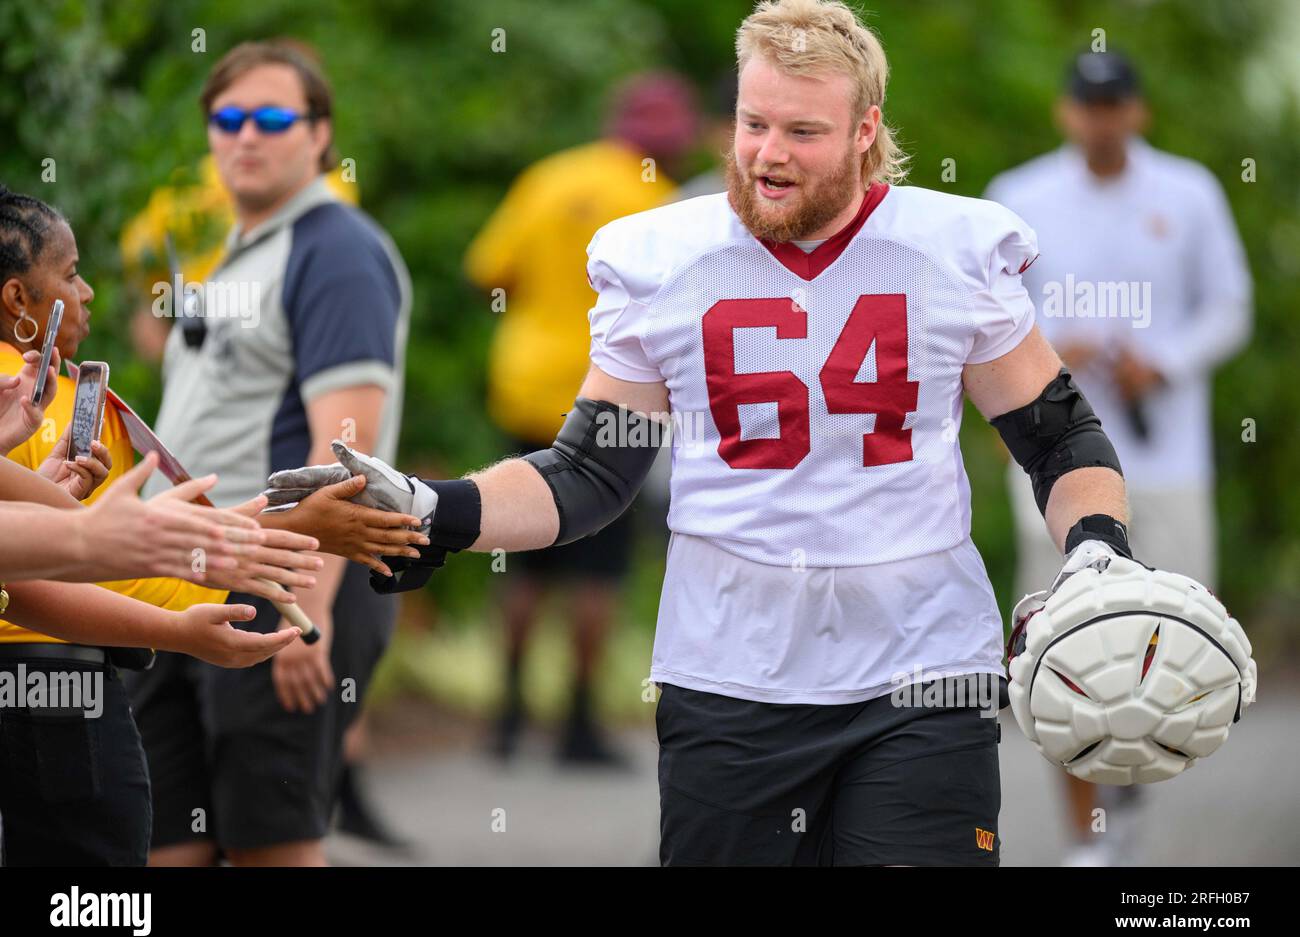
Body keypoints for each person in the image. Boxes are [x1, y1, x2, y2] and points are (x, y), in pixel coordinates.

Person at [278, 0, 1144, 866]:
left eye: (803, 130)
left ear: (864, 130)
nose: (768, 153)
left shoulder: (950, 247)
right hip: (731, 673)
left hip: (926, 669)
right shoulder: (665, 257)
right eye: (752, 122)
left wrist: (1098, 548)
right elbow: (587, 473)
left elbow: (1060, 443)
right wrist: (439, 507)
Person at [126, 40, 416, 867]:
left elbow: (347, 450)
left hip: (283, 581)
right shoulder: (237, 251)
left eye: (274, 117)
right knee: (167, 846)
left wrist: (310, 611)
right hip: (183, 576)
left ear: (321, 135)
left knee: (272, 847)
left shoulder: (337, 251)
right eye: (227, 119)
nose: (246, 136)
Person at [0, 184, 324, 865]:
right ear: (16, 298)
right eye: (70, 272)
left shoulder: (42, 395)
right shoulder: (26, 389)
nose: (87, 292)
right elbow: (42, 572)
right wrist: (190, 609)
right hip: (54, 692)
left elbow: (56, 535)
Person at [985, 50, 1252, 866]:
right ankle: (1084, 840)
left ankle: (1124, 805)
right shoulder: (1018, 199)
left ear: (1136, 111)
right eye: (1087, 105)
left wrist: (1164, 359)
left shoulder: (1190, 192)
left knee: (1170, 647)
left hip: (1164, 459)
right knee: (1061, 650)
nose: (1101, 120)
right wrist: (1046, 350)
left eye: (1115, 105)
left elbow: (1230, 306)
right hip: (1052, 466)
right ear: (1068, 111)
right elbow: (989, 320)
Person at [464, 71, 697, 764]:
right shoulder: (662, 202)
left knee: (522, 558)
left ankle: (505, 717)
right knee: (599, 566)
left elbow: (488, 274)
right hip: (615, 400)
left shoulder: (548, 178)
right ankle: (578, 725)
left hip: (528, 385)